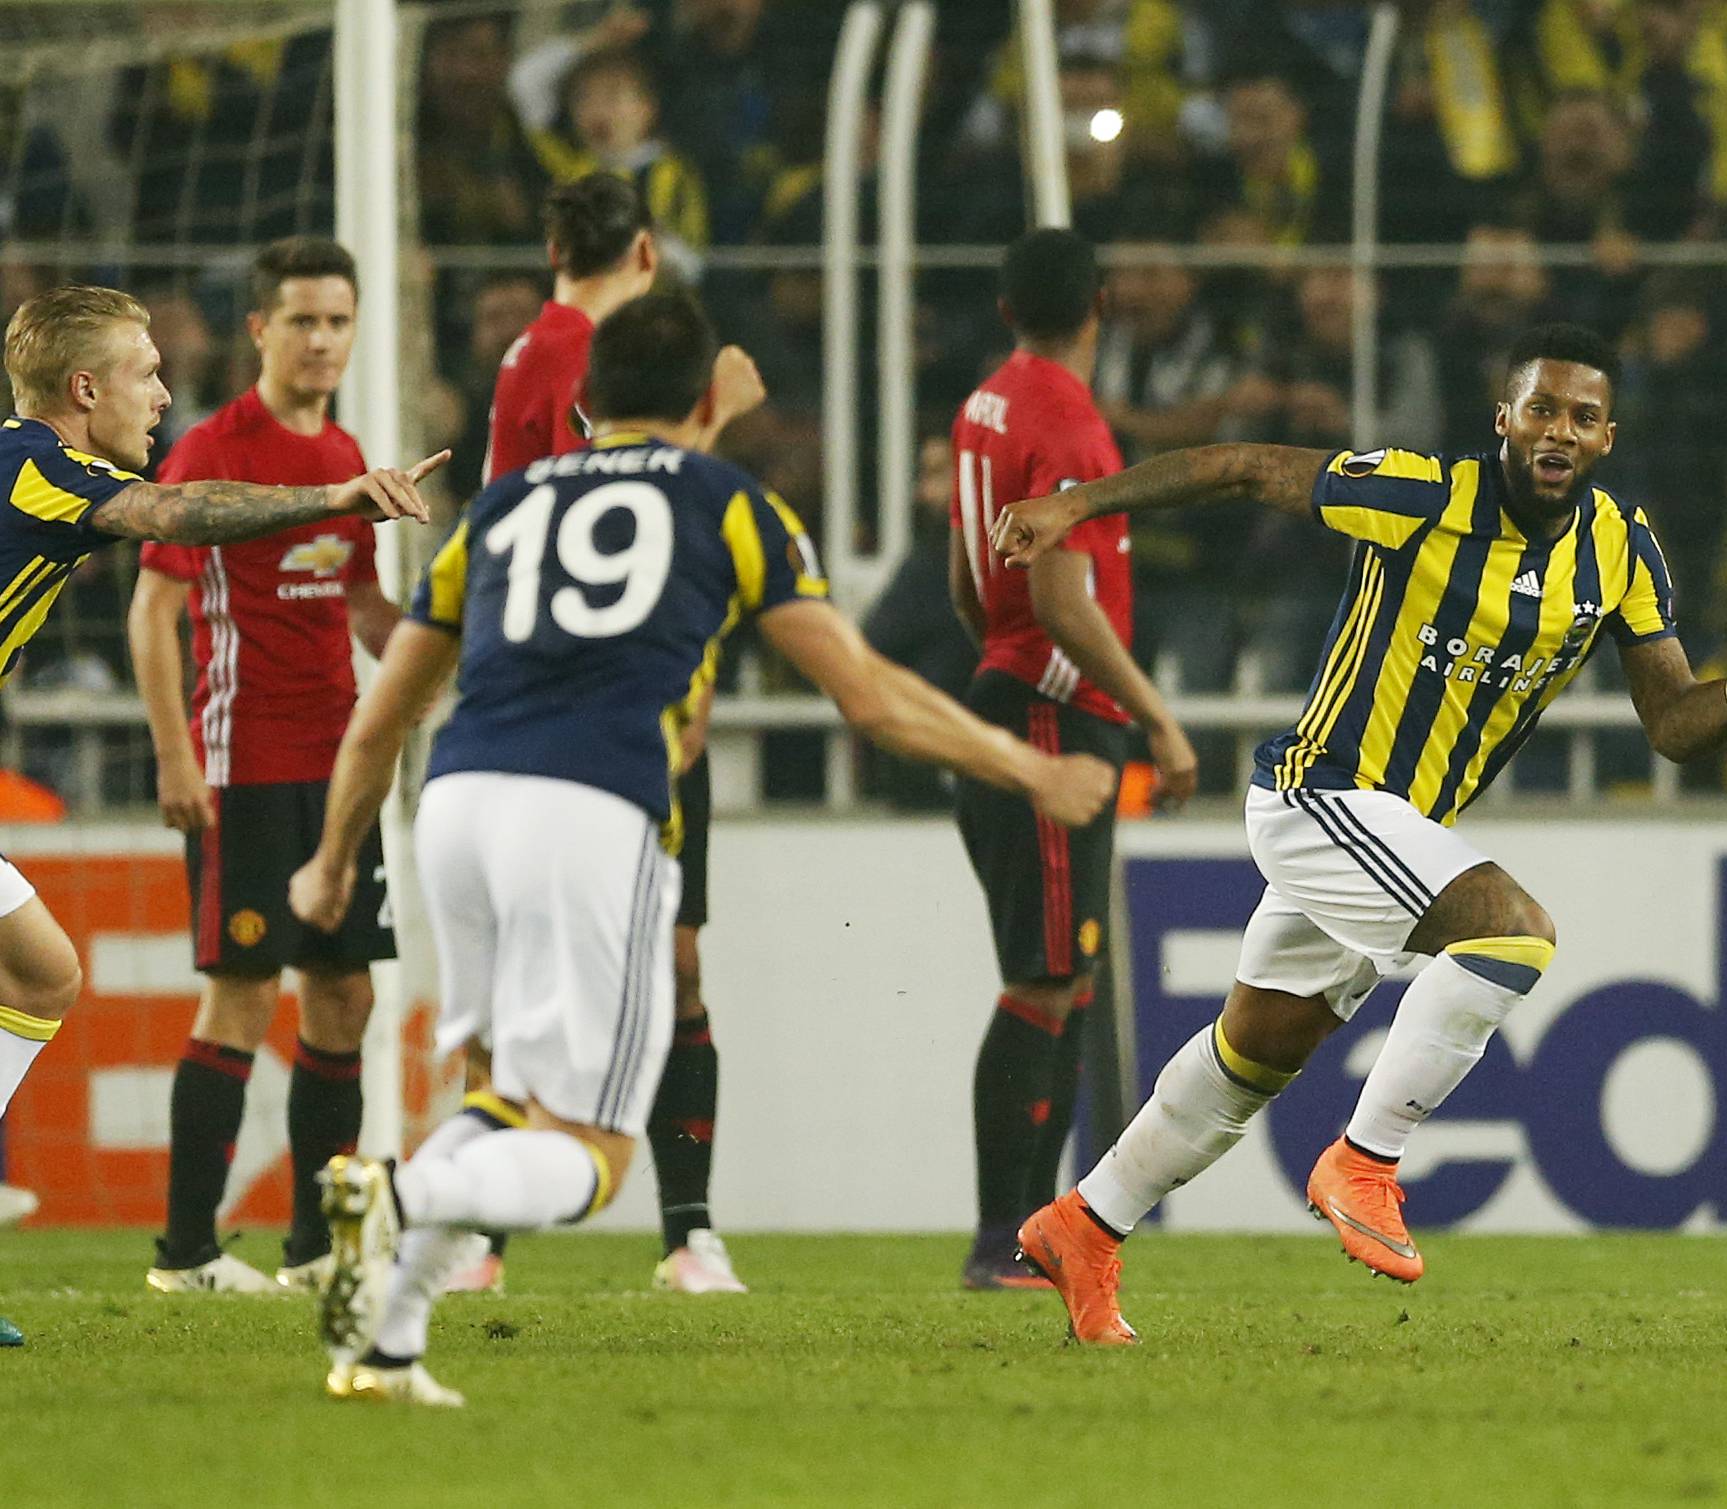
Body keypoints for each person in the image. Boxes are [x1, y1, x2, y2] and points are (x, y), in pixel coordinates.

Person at [286, 289, 1116, 1406]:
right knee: (592, 1155)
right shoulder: (732, 504)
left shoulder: (505, 504)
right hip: (590, 814)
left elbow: (387, 709)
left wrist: (336, 855)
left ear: (584, 400)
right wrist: (1032, 771)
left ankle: (386, 1346)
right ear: (699, 401)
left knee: (504, 1101)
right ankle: (395, 1197)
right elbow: (867, 696)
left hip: (457, 803)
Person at [992, 322, 1727, 1345]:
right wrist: (1077, 502)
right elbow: (1242, 467)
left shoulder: (1621, 549)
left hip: (1396, 831)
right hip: (1321, 793)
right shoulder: (1420, 491)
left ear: (1607, 437)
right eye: (1540, 408)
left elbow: (1676, 724)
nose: (1559, 429)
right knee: (1511, 931)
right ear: (1504, 419)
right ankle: (1365, 1159)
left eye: (1582, 416)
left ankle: (1083, 1226)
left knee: (1254, 1054)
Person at [0, 283, 438, 1345]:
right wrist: (336, 500)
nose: (161, 395)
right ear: (85, 387)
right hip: (251, 760)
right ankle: (191, 1252)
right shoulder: (43, 470)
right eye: (145, 375)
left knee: (46, 972)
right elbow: (175, 517)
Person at [459, 170, 763, 1297]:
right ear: (645, 252)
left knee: (558, 973)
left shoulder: (532, 352)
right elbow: (646, 502)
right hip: (608, 716)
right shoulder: (599, 361)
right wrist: (723, 413)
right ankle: (673, 1236)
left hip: (551, 707)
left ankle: (532, 1239)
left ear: (552, 249)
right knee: (666, 970)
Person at [128, 239, 404, 1296]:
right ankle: (187, 1255)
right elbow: (154, 609)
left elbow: (364, 607)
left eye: (338, 320)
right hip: (241, 764)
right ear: (259, 329)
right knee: (241, 999)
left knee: (344, 1001)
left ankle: (308, 1253)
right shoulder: (211, 448)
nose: (323, 339)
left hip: (340, 772)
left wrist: (452, 642)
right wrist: (174, 752)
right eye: (303, 320)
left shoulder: (343, 449)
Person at [948, 229, 1196, 1290]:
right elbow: (1059, 598)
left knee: (1067, 972)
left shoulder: (987, 404)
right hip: (1056, 714)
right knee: (1047, 982)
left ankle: (1032, 1230)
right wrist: (1157, 717)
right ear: (1102, 303)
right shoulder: (1073, 427)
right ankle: (1002, 1237)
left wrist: (994, 667)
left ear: (1006, 310)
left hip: (1012, 695)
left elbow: (973, 578)